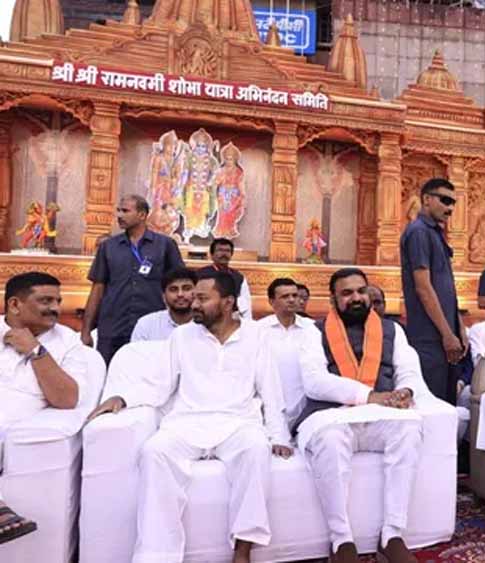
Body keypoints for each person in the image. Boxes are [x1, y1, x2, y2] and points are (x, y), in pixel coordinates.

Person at [88, 272, 292, 563]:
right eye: (194, 297)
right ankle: (157, 555)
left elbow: (271, 390)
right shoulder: (182, 336)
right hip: (186, 422)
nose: (193, 304)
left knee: (256, 449)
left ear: (228, 303)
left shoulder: (257, 336)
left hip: (238, 423)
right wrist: (122, 398)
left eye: (202, 298)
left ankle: (243, 550)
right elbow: (159, 384)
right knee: (154, 451)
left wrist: (279, 436)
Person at [293, 268, 429, 563]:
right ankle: (341, 540)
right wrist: (369, 396)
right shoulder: (313, 331)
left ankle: (392, 535)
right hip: (332, 415)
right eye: (347, 293)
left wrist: (405, 391)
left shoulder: (393, 330)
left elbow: (409, 371)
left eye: (360, 291)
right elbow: (314, 380)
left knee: (408, 429)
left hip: (380, 415)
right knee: (330, 440)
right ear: (333, 299)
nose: (356, 298)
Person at [0, 272, 88, 545]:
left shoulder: (68, 341)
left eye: (57, 301)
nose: (55, 308)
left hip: (14, 419)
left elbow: (67, 399)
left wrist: (36, 351)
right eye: (46, 301)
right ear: (15, 305)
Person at [82, 194, 185, 364]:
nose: (119, 215)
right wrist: (86, 330)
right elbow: (97, 289)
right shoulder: (108, 247)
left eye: (125, 211)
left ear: (142, 215)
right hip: (113, 324)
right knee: (109, 371)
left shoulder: (165, 245)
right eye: (118, 211)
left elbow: (180, 284)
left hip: (152, 327)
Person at [400, 178, 466, 404]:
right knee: (432, 406)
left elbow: (447, 289)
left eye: (453, 203)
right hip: (430, 337)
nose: (450, 208)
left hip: (447, 335)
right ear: (427, 199)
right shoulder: (418, 232)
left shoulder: (435, 233)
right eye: (445, 200)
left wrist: (459, 328)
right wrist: (447, 334)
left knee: (448, 404)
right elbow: (423, 288)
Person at [258, 277, 317, 428]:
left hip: (305, 409)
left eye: (294, 295)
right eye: (285, 296)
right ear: (271, 301)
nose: (291, 300)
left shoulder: (312, 328)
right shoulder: (258, 330)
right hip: (267, 408)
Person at [130, 267, 198, 341]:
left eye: (187, 289)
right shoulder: (146, 325)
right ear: (164, 296)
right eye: (173, 289)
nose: (180, 294)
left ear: (197, 293)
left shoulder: (205, 324)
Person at [198, 238, 251, 320]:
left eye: (227, 251)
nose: (224, 254)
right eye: (220, 250)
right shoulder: (200, 275)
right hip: (206, 316)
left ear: (231, 254)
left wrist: (247, 322)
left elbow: (245, 302)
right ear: (212, 254)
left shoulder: (238, 277)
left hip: (231, 317)